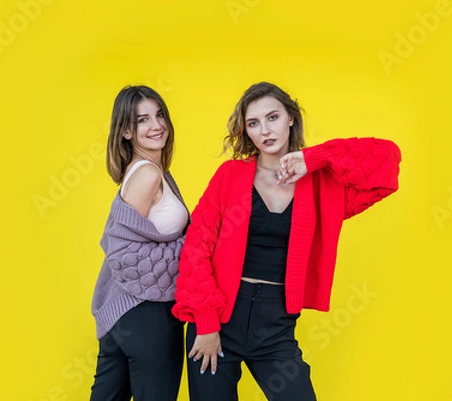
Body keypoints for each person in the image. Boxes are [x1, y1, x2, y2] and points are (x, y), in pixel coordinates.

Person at [172, 81, 401, 400]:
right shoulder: (230, 176)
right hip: (218, 319)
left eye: (272, 117)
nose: (264, 130)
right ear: (246, 131)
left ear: (290, 118)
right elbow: (197, 246)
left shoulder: (322, 186)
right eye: (253, 123)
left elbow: (387, 163)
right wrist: (207, 323)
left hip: (276, 326)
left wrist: (315, 158)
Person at [90, 85, 189, 401]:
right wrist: (195, 248)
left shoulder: (151, 172)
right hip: (147, 314)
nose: (156, 125)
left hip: (125, 314)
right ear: (127, 132)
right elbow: (125, 254)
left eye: (159, 115)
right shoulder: (146, 174)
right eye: (142, 120)